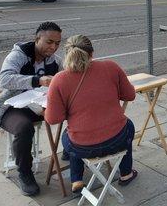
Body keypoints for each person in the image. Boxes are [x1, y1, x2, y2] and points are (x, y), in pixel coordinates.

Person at [45, 35, 137, 193]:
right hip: (117, 140)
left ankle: (77, 179)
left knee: (70, 135)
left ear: (67, 55)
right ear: (92, 53)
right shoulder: (111, 67)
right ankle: (126, 173)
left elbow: (53, 119)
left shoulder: (59, 80)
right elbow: (130, 95)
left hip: (83, 149)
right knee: (128, 125)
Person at [0, 22, 62, 196]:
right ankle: (25, 173)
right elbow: (4, 80)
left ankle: (74, 150)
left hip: (40, 104)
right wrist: (37, 80)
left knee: (75, 108)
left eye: (57, 43)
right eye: (49, 42)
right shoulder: (18, 55)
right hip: (12, 107)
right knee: (24, 128)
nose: (53, 47)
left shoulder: (55, 61)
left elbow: (65, 80)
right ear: (37, 39)